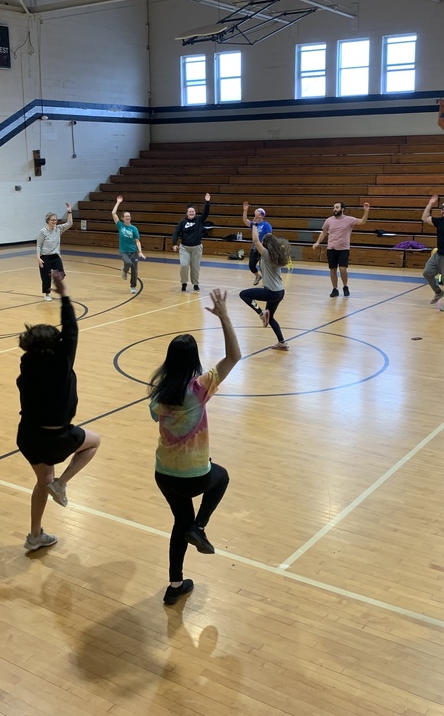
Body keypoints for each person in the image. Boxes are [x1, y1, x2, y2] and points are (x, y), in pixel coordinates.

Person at [149, 288, 240, 605]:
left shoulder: (159, 394)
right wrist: (225, 317)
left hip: (165, 476)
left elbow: (155, 415)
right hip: (195, 477)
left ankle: (175, 585)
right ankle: (199, 527)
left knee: (179, 523)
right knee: (223, 476)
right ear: (193, 361)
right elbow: (233, 357)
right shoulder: (199, 387)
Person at [17, 272, 101, 552]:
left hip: (29, 437)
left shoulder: (26, 363)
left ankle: (35, 534)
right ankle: (62, 484)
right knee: (94, 442)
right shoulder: (60, 364)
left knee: (43, 481)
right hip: (56, 438)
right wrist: (65, 296)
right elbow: (72, 330)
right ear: (55, 347)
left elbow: (66, 336)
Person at [239, 223, 291, 351]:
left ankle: (261, 313)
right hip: (280, 292)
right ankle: (282, 342)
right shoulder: (276, 254)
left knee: (244, 294)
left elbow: (255, 241)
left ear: (266, 245)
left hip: (271, 292)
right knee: (271, 317)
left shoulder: (267, 254)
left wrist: (254, 225)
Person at [311, 201, 370, 297]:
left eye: (337, 207)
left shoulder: (349, 220)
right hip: (331, 249)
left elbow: (362, 222)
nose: (335, 209)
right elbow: (324, 232)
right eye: (334, 207)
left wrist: (366, 211)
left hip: (343, 249)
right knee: (333, 270)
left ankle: (345, 286)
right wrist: (317, 242)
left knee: (343, 269)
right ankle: (335, 289)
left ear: (342, 209)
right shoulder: (329, 220)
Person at [172, 192, 211, 292]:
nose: (191, 213)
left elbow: (206, 213)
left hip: (196, 247)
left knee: (195, 267)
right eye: (190, 211)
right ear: (187, 213)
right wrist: (174, 244)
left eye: (193, 211)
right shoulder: (182, 222)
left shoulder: (199, 220)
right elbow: (176, 233)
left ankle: (195, 284)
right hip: (184, 247)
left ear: (195, 212)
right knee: (184, 265)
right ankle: (184, 283)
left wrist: (207, 202)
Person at [37, 204, 73, 300]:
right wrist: (38, 258)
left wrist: (69, 212)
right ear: (48, 221)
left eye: (56, 220)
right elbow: (39, 245)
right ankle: (47, 294)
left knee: (61, 273)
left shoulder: (58, 229)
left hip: (55, 255)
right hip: (45, 256)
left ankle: (54, 280)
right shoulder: (43, 232)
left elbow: (69, 223)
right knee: (45, 277)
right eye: (52, 220)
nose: (54, 222)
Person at [111, 195, 146, 294]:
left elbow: (137, 241)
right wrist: (118, 202)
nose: (128, 218)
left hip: (133, 251)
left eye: (129, 216)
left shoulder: (134, 228)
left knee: (134, 270)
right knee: (128, 263)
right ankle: (124, 270)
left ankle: (133, 286)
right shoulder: (120, 225)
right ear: (122, 218)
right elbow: (113, 213)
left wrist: (140, 251)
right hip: (123, 251)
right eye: (126, 216)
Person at [241, 201, 272, 285]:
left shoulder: (266, 225)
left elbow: (268, 236)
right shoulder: (253, 224)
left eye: (257, 213)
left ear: (261, 215)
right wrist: (245, 211)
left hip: (263, 248)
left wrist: (262, 246)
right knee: (251, 265)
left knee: (263, 267)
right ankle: (257, 276)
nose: (255, 215)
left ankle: (266, 283)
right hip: (254, 248)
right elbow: (245, 220)